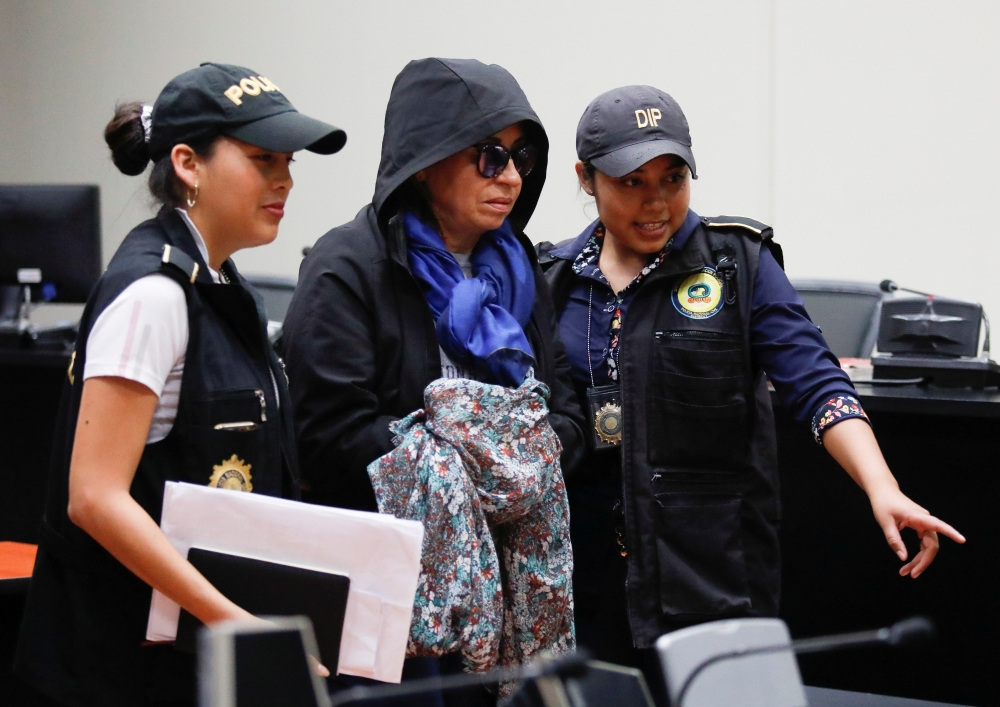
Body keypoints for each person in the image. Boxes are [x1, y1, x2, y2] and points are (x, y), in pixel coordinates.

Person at [538, 85, 966, 701]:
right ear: (586, 178)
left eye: (674, 177)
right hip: (585, 584)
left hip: (710, 580)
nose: (657, 202)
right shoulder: (550, 278)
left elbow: (816, 381)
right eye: (632, 182)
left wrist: (882, 486)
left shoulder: (737, 264)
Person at [14, 63, 345, 707]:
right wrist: (234, 620)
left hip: (188, 657)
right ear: (188, 164)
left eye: (289, 161)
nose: (285, 180)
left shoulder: (221, 286)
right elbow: (94, 497)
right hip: (117, 670)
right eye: (263, 159)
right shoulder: (153, 295)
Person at [281, 58, 586, 701]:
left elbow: (565, 413)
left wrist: (510, 461)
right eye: (488, 156)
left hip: (511, 580)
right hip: (385, 598)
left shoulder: (520, 265)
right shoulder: (347, 267)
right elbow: (327, 435)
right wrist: (466, 460)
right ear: (425, 160)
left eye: (521, 156)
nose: (510, 175)